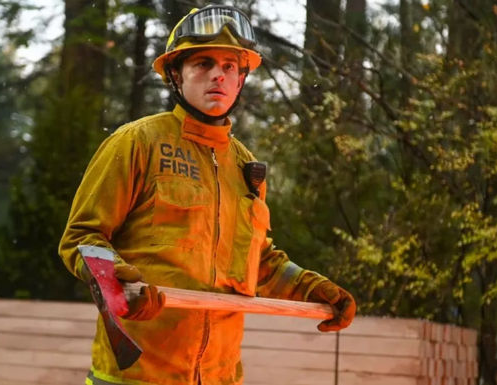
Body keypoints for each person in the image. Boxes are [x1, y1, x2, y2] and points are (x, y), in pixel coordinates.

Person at [59, 5, 356, 385]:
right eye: (202, 63)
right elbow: (82, 239)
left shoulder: (246, 167)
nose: (218, 74)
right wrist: (121, 283)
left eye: (230, 66)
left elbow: (259, 263)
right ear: (176, 75)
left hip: (219, 376)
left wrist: (313, 289)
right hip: (137, 375)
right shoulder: (137, 142)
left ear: (241, 79)